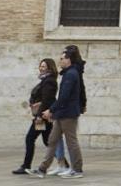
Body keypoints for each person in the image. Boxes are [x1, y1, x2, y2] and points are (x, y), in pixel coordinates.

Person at [31, 45, 86, 178]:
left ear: (69, 60)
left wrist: (50, 110)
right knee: (52, 140)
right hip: (61, 114)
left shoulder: (71, 74)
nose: (60, 61)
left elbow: (64, 97)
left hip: (68, 114)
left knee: (71, 142)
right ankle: (42, 169)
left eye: (62, 58)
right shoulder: (68, 73)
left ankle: (77, 170)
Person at [14, 57, 59, 175]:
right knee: (47, 141)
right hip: (43, 116)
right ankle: (64, 164)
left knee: (30, 138)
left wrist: (39, 116)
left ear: (50, 68)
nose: (41, 68)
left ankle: (26, 165)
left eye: (44, 66)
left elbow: (47, 100)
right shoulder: (46, 80)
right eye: (40, 66)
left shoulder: (49, 81)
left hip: (42, 117)